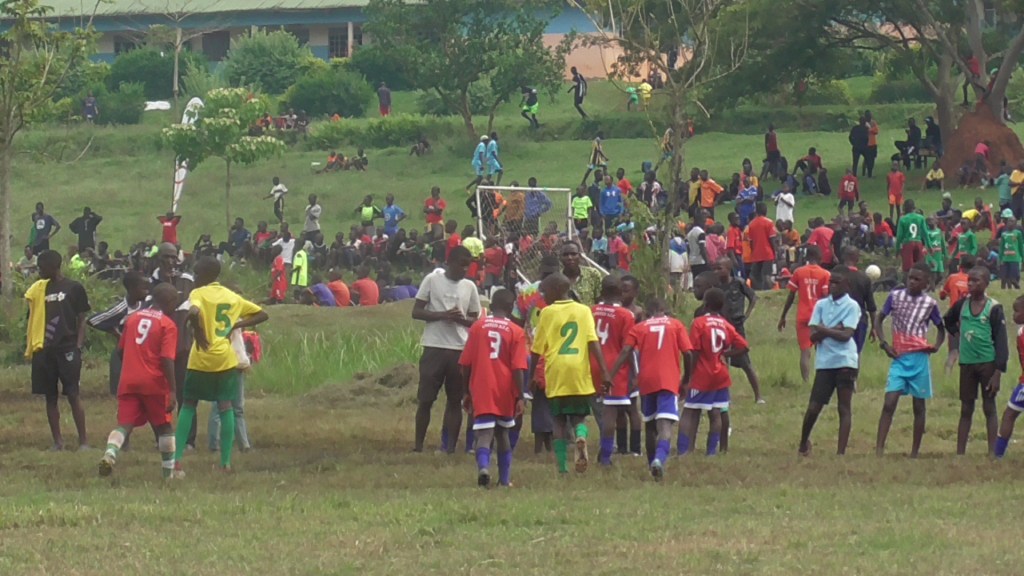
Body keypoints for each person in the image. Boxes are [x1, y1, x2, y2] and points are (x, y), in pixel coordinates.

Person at [173, 258, 267, 476]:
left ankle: (177, 459)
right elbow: (263, 314)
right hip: (225, 359)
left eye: (196, 275)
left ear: (204, 276)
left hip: (201, 359)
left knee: (188, 404)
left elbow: (194, 312)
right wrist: (237, 324)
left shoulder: (198, 294)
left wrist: (197, 331)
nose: (194, 279)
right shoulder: (232, 296)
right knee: (226, 407)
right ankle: (225, 461)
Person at [527, 273, 611, 474]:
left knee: (558, 421)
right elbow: (593, 342)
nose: (543, 297)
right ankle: (581, 436)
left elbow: (536, 349)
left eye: (544, 292)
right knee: (579, 417)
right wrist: (605, 372)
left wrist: (531, 376)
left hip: (557, 370)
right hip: (579, 371)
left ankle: (563, 466)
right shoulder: (584, 310)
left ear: (556, 291)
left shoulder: (546, 312)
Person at [98, 284, 180, 478]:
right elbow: (167, 359)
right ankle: (168, 474)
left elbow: (120, 350)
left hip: (129, 380)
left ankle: (110, 453)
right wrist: (173, 390)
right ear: (169, 303)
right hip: (154, 382)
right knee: (164, 426)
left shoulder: (133, 318)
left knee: (125, 424)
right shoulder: (167, 325)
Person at [608, 298, 692, 479]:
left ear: (646, 313)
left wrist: (610, 375)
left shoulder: (639, 328)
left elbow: (625, 351)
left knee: (650, 425)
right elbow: (688, 353)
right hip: (668, 381)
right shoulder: (676, 325)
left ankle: (652, 468)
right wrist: (686, 379)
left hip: (646, 381)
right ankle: (659, 460)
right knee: (665, 426)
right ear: (666, 311)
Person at [412, 247, 482, 453]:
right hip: (434, 346)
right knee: (425, 399)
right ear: (449, 262)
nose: (464, 269)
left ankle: (450, 447)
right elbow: (416, 311)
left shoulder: (469, 286)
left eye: (467, 265)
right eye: (461, 264)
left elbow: (475, 322)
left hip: (459, 348)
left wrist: (462, 320)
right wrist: (443, 315)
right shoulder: (432, 280)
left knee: (455, 400)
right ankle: (418, 446)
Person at [874, 263, 945, 457]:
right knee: (889, 402)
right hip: (899, 356)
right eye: (910, 278)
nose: (912, 282)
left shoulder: (929, 304)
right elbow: (879, 319)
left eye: (917, 279)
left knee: (918, 406)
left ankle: (915, 451)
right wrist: (884, 344)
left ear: (926, 283)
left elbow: (941, 327)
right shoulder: (895, 297)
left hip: (919, 358)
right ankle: (879, 449)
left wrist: (937, 346)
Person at [458, 289, 527, 487]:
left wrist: (466, 391)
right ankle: (504, 480)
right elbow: (518, 367)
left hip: (481, 386)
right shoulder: (516, 331)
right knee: (503, 433)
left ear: (492, 305)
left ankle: (483, 467)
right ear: (510, 307)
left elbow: (465, 363)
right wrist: (520, 396)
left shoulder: (477, 327)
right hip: (505, 389)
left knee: (484, 433)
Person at [25, 250, 91, 451]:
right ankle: (58, 441)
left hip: (67, 347)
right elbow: (33, 318)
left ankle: (83, 442)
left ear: (54, 267)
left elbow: (82, 318)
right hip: (44, 349)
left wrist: (78, 345)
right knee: (50, 396)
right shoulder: (38, 290)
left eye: (42, 268)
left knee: (73, 394)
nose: (39, 271)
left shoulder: (73, 288)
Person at [943, 266, 1008, 456]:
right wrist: (957, 336)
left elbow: (1001, 342)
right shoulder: (961, 305)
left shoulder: (994, 307)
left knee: (989, 407)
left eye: (976, 280)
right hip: (967, 363)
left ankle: (992, 452)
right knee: (966, 407)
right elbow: (948, 320)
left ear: (986, 283)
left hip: (987, 363)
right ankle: (960, 452)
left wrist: (998, 372)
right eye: (969, 280)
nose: (971, 284)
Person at [797, 270, 861, 456]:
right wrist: (834, 329)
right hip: (825, 362)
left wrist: (824, 329)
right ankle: (803, 442)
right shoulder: (821, 304)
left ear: (846, 285)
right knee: (814, 406)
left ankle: (841, 451)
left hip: (845, 360)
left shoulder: (852, 306)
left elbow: (847, 335)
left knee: (844, 406)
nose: (831, 286)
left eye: (836, 282)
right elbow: (813, 335)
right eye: (831, 282)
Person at [679, 287, 748, 458]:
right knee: (715, 413)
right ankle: (711, 451)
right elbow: (744, 346)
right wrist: (724, 354)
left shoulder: (699, 323)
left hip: (702, 374)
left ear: (705, 304)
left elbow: (693, 351)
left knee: (690, 411)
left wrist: (688, 376)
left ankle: (684, 449)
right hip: (721, 375)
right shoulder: (726, 324)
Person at [589, 277, 636, 466]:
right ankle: (606, 456)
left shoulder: (590, 311)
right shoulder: (626, 315)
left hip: (591, 364)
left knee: (593, 408)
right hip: (614, 367)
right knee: (610, 414)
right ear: (619, 292)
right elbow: (627, 348)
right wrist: (613, 373)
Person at [715, 257, 764, 403]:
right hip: (721, 326)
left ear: (728, 269)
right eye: (715, 268)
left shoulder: (738, 283)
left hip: (736, 326)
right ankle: (725, 396)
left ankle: (758, 396)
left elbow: (753, 298)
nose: (717, 271)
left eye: (720, 268)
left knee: (745, 362)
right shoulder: (716, 287)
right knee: (723, 361)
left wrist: (746, 315)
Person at [779, 246, 831, 384]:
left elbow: (791, 295)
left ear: (807, 257)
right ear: (820, 258)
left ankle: (806, 382)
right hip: (820, 317)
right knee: (822, 350)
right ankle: (822, 380)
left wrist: (783, 315)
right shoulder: (825, 274)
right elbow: (827, 296)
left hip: (803, 316)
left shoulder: (798, 272)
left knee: (805, 351)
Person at [995, 295, 1024, 458]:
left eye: (1017, 311)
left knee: (1009, 414)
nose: (1013, 315)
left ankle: (998, 454)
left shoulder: (1021, 332)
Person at [746, 202, 777, 290]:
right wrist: (775, 251)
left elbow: (751, 241)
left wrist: (753, 252)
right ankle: (768, 291)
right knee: (767, 274)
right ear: (765, 210)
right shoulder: (769, 222)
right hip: (768, 253)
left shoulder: (751, 224)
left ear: (756, 211)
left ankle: (758, 291)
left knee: (756, 275)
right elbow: (772, 239)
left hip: (756, 254)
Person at [895, 199, 927, 274]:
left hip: (908, 243)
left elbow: (899, 236)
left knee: (908, 269)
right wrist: (929, 246)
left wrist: (897, 250)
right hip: (918, 242)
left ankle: (908, 283)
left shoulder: (903, 219)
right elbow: (925, 233)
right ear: (914, 208)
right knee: (920, 267)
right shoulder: (921, 218)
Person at [999, 211, 1024, 290]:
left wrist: (1022, 258)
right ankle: (1005, 290)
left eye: (1012, 222)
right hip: (1005, 258)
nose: (1010, 223)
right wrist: (1000, 259)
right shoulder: (1004, 234)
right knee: (1004, 277)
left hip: (1015, 258)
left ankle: (1017, 288)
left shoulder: (1018, 233)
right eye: (1009, 221)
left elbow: (1020, 246)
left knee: (1014, 277)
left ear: (1015, 224)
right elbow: (1001, 247)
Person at [864, 110, 879, 178]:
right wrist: (871, 129)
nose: (869, 117)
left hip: (873, 143)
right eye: (868, 116)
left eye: (870, 115)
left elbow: (876, 131)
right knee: (867, 159)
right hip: (866, 144)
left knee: (872, 159)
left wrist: (870, 129)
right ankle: (867, 172)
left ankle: (869, 172)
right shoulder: (863, 123)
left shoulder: (873, 122)